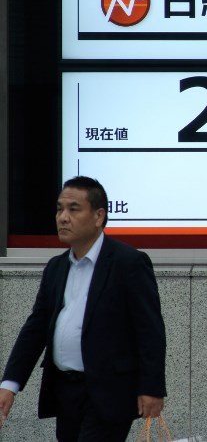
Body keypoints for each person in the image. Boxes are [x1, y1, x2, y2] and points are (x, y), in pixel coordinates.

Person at [0, 176, 166, 441]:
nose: (63, 218)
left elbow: (150, 330)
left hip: (109, 392)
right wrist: (10, 384)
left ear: (99, 216)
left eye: (73, 209)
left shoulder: (128, 263)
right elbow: (36, 328)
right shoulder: (56, 267)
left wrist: (152, 387)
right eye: (59, 209)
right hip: (65, 391)